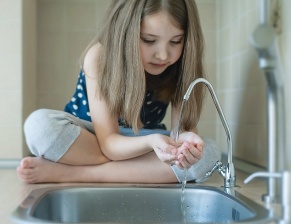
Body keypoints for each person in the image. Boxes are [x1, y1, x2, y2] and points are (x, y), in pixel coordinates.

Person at [17, 0, 221, 184]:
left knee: (209, 155)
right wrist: (151, 144)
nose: (163, 54)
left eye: (175, 41)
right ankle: (127, 169)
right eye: (149, 40)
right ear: (125, 32)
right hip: (92, 137)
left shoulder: (182, 63)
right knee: (40, 126)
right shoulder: (99, 56)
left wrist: (187, 145)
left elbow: (180, 134)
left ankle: (70, 173)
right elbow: (108, 143)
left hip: (142, 141)